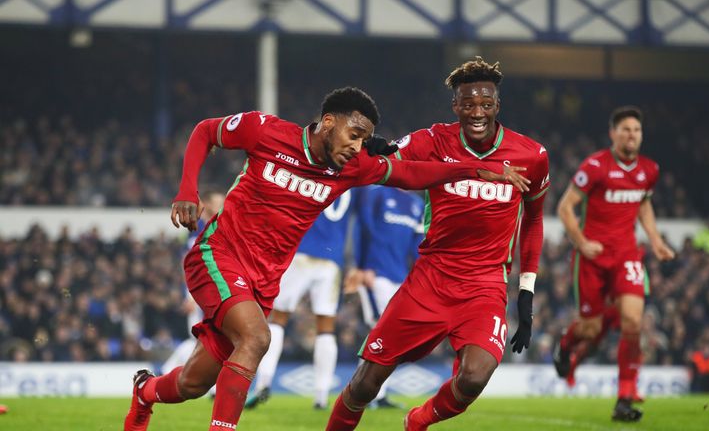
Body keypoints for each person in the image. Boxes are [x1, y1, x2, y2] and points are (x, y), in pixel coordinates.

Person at [123, 86, 527, 431]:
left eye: (363, 140)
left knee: (192, 384)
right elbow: (205, 132)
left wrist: (472, 170)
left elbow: (411, 175)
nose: (356, 147)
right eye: (353, 134)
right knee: (258, 338)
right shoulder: (265, 131)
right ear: (328, 123)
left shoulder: (351, 168)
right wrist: (187, 190)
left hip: (263, 280)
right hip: (218, 254)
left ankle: (145, 391)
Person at [325, 58, 550, 430]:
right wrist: (372, 147)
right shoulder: (431, 141)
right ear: (455, 106)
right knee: (366, 382)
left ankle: (418, 420)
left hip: (485, 286)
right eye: (468, 104)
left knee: (475, 376)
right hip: (430, 280)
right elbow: (387, 157)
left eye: (486, 104)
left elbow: (535, 219)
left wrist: (526, 291)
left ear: (497, 105)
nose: (477, 112)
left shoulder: (531, 156)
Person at [553, 106, 675, 422]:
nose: (631, 135)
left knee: (633, 323)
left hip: (627, 256)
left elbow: (643, 204)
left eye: (636, 130)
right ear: (613, 134)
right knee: (590, 329)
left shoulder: (650, 170)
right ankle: (566, 345)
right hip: (592, 258)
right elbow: (565, 208)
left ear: (641, 135)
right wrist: (581, 242)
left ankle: (624, 398)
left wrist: (656, 240)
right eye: (625, 129)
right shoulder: (595, 166)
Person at [248, 189, 357, 410]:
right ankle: (321, 396)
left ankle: (263, 384)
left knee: (277, 319)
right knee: (326, 328)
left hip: (301, 249)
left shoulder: (313, 166)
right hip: (332, 258)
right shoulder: (354, 182)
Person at [346, 185, 425, 409]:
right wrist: (362, 266)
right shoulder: (377, 192)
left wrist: (419, 278)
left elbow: (418, 247)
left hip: (400, 278)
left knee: (390, 337)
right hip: (375, 274)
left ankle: (375, 394)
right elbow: (363, 227)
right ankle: (364, 392)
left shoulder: (417, 204)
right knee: (380, 330)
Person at [162, 191, 225, 377]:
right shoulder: (198, 229)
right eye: (217, 202)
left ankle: (174, 372)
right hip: (199, 292)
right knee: (201, 337)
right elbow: (189, 264)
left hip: (211, 290)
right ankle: (167, 370)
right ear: (206, 204)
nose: (221, 205)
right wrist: (189, 295)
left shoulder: (213, 227)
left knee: (210, 336)